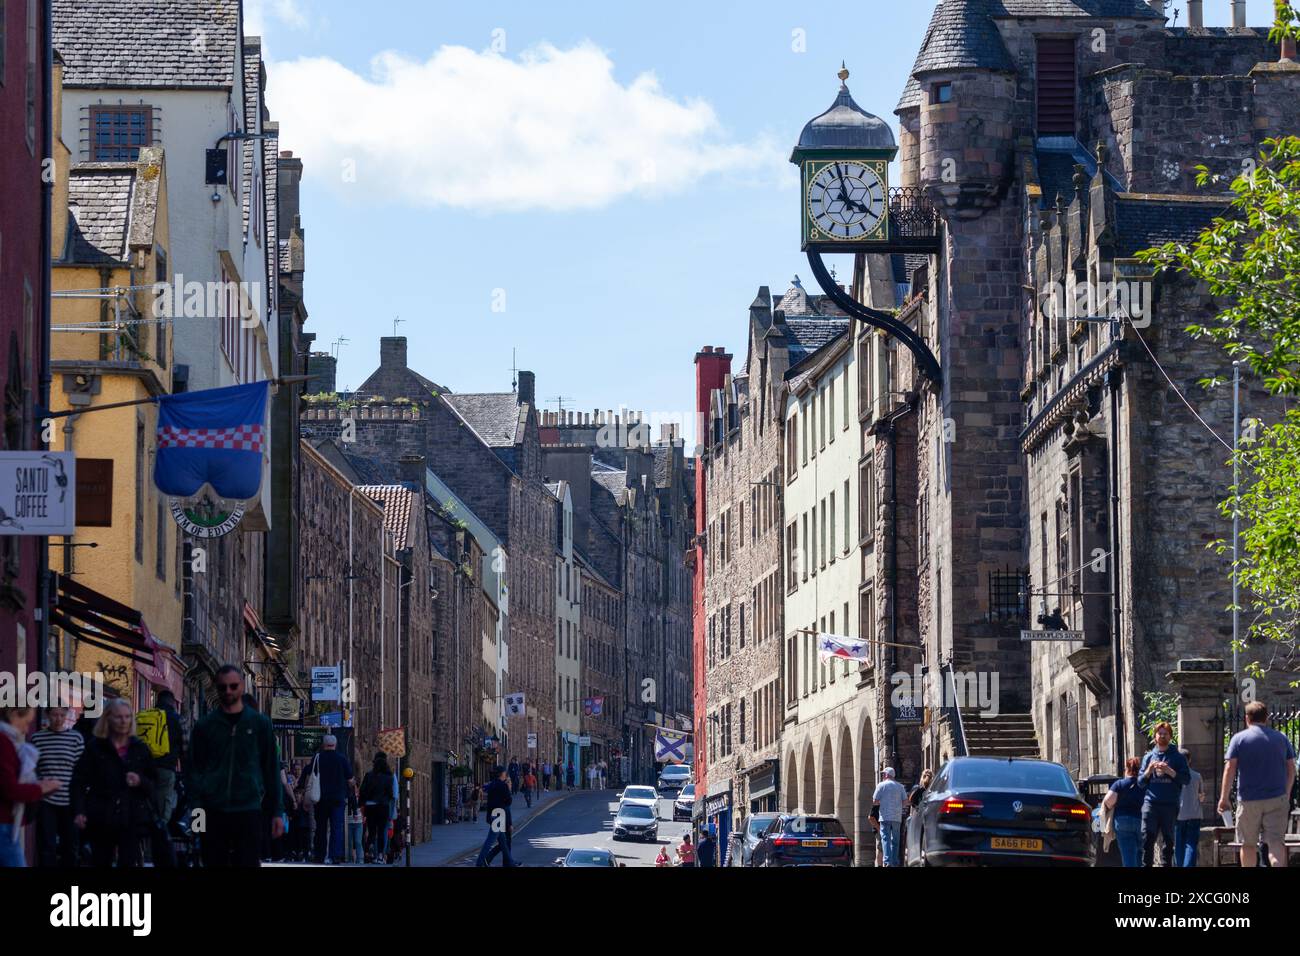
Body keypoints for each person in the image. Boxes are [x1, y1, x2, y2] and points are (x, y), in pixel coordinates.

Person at [188, 665, 284, 867]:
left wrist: (277, 812)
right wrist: (197, 814)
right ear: (216, 687)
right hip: (213, 808)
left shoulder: (259, 724)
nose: (228, 691)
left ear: (242, 686)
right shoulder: (205, 726)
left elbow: (271, 770)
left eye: (233, 686)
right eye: (222, 687)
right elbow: (194, 771)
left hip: (248, 807)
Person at [69, 699, 157, 868]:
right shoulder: (95, 748)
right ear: (108, 718)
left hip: (131, 816)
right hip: (101, 816)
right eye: (118, 717)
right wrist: (79, 810)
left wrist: (140, 781)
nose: (124, 721)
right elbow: (79, 781)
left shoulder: (140, 748)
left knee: (128, 861)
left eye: (127, 717)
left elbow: (153, 783)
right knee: (101, 861)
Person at [1218, 700, 1298, 868]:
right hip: (1277, 798)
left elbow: (1230, 769)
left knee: (1248, 845)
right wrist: (1286, 792)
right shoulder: (1281, 738)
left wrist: (1224, 798)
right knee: (1276, 843)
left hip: (1248, 799)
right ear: (1266, 717)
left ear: (1247, 718)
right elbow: (1291, 769)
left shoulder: (1239, 739)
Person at [1, 707, 64, 867]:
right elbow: (9, 789)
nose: (26, 729)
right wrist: (41, 788)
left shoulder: (10, 741)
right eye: (26, 722)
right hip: (4, 822)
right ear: (14, 714)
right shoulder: (4, 742)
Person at [31, 706, 84, 867]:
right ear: (47, 715)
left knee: (70, 846)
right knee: (47, 845)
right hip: (46, 800)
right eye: (55, 715)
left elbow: (81, 770)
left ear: (66, 715)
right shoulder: (37, 738)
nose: (58, 719)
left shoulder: (75, 738)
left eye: (62, 715)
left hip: (69, 800)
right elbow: (32, 768)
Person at [1138, 721, 1189, 867]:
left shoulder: (1178, 757)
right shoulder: (1148, 757)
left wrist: (1170, 771)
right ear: (1155, 736)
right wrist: (1148, 771)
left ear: (1170, 736)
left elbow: (1186, 779)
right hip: (1151, 804)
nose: (1162, 736)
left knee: (1168, 842)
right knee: (1147, 839)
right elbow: (1140, 783)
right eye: (1159, 733)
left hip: (1170, 805)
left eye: (1165, 734)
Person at [309, 734, 355, 864]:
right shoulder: (342, 759)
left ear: (324, 745)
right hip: (337, 799)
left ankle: (319, 855)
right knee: (336, 828)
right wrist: (352, 786)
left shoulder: (317, 758)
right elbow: (350, 779)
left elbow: (309, 774)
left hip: (320, 798)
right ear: (335, 745)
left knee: (320, 828)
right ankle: (335, 856)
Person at [1103, 757, 1145, 867]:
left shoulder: (1119, 784)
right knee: (1140, 854)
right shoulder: (1143, 785)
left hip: (1122, 821)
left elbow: (1108, 801)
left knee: (1128, 855)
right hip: (1140, 820)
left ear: (1127, 769)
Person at [475, 767, 520, 867]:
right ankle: (480, 862)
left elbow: (490, 802)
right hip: (499, 815)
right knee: (490, 841)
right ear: (502, 774)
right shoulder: (503, 785)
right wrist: (508, 789)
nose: (505, 775)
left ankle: (510, 862)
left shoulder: (492, 784)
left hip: (493, 814)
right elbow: (508, 801)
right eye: (505, 773)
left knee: (503, 842)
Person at [360, 752, 394, 862]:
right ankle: (380, 855)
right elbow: (390, 794)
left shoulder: (368, 775)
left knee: (371, 830)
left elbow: (362, 791)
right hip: (382, 807)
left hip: (370, 806)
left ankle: (369, 848)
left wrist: (363, 803)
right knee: (381, 831)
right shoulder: (388, 778)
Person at [872, 766, 906, 867]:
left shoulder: (881, 785)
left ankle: (887, 862)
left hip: (885, 816)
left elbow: (874, 801)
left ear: (887, 775)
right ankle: (895, 861)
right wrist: (898, 806)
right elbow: (905, 802)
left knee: (885, 839)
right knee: (895, 840)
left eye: (883, 774)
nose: (882, 776)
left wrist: (881, 802)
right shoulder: (900, 787)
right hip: (896, 817)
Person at [1175, 749, 1204, 868]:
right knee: (1191, 844)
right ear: (1189, 760)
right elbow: (1201, 796)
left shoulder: (1174, 776)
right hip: (1194, 814)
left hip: (1179, 815)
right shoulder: (1197, 776)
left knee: (1179, 845)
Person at [346, 783, 365, 864]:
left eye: (356, 787)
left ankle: (359, 859)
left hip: (358, 823)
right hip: (349, 822)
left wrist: (364, 817)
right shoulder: (347, 797)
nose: (355, 789)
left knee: (358, 841)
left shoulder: (361, 797)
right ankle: (350, 859)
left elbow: (364, 808)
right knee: (349, 842)